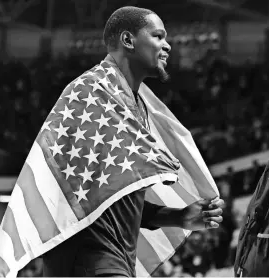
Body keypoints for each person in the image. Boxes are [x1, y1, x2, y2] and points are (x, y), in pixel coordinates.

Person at [38, 6, 224, 277]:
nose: (167, 45)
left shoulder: (137, 105)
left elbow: (118, 198)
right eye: (158, 36)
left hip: (114, 259)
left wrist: (179, 217)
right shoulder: (88, 93)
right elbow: (72, 194)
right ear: (128, 40)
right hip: (85, 262)